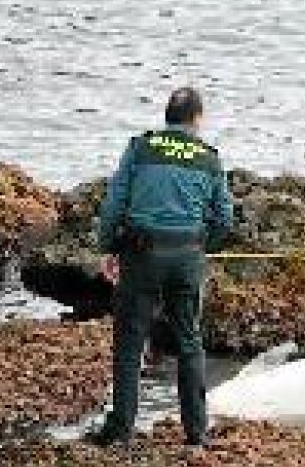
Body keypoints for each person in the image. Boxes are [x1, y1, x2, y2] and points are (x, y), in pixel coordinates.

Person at [89, 87, 234, 447]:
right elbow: (224, 218)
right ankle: (196, 432)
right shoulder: (209, 158)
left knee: (130, 342)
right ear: (197, 119)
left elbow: (113, 205)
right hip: (187, 257)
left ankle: (121, 429)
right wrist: (202, 248)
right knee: (189, 341)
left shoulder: (141, 147)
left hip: (141, 255)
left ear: (167, 116)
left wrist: (109, 249)